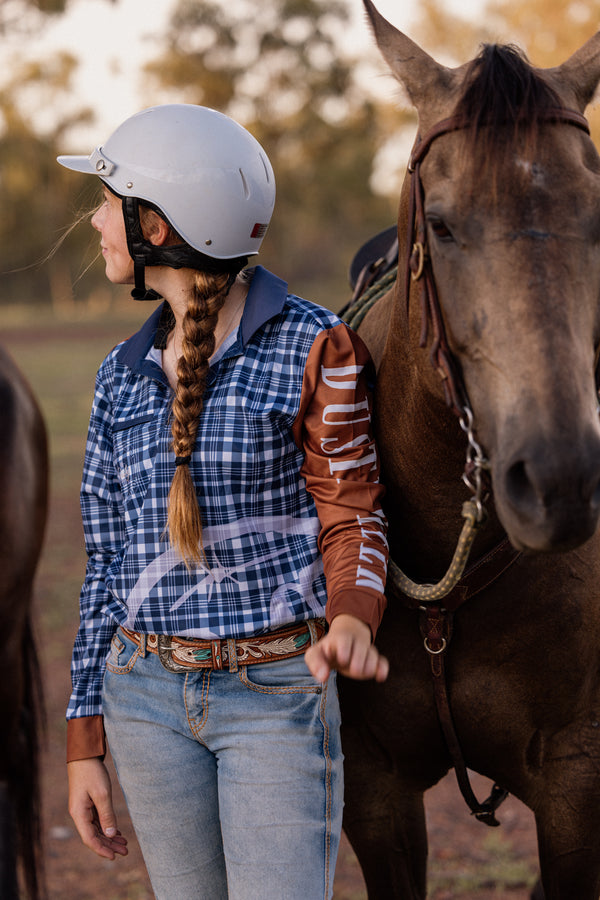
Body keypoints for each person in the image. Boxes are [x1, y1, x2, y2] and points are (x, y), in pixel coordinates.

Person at [58, 103, 389, 900]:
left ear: (159, 228)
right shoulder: (117, 376)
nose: (96, 218)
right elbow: (105, 567)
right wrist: (83, 740)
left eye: (110, 200)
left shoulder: (317, 346)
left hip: (276, 696)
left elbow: (354, 512)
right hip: (142, 698)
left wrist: (351, 617)